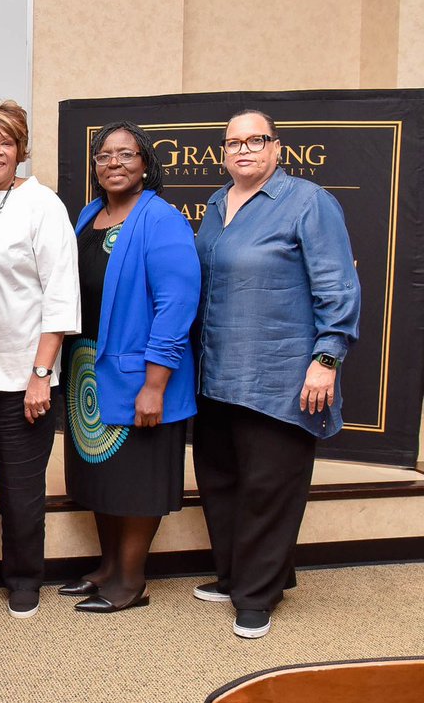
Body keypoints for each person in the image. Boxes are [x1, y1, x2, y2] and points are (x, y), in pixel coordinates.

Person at [193, 109, 360, 640]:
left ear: (277, 148)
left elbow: (338, 285)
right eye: (233, 142)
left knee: (269, 488)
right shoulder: (217, 203)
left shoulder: (308, 202)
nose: (243, 150)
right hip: (215, 373)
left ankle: (256, 596)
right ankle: (237, 576)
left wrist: (327, 358)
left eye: (255, 140)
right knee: (221, 480)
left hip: (280, 374)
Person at [57, 121, 199, 614]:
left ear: (145, 164)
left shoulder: (160, 219)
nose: (113, 163)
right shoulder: (89, 214)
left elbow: (177, 304)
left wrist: (155, 385)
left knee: (136, 479)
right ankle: (108, 567)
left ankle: (131, 580)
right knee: (104, 475)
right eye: (104, 155)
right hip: (89, 370)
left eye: (126, 154)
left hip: (140, 374)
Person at [0, 97, 80, 618]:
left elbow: (60, 295)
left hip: (21, 375)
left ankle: (25, 577)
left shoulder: (42, 204)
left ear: (21, 149)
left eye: (6, 142)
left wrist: (41, 374)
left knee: (21, 490)